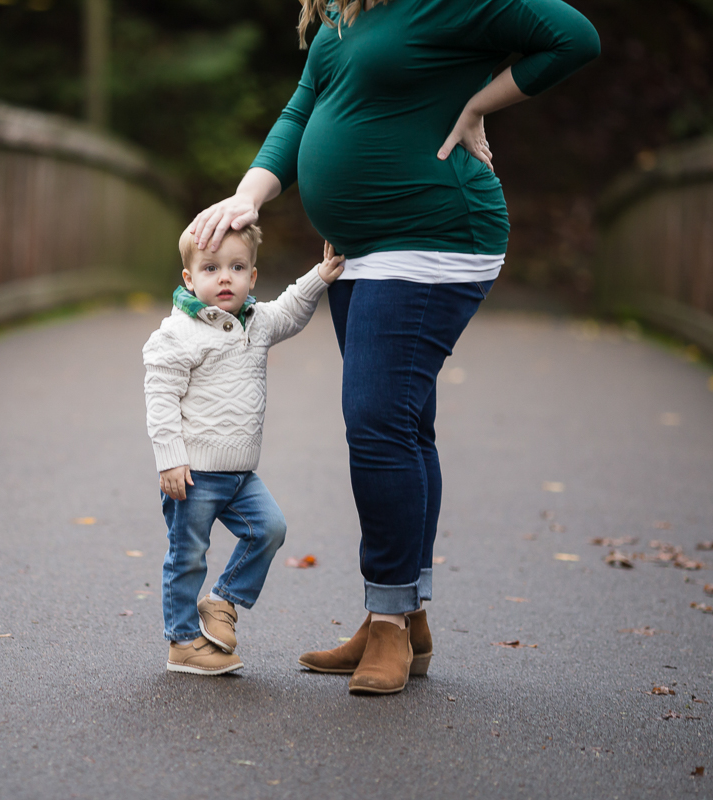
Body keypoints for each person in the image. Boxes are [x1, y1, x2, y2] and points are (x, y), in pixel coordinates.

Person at [191, 0, 600, 694]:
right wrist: (249, 195)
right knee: (404, 425)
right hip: (360, 252)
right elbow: (303, 109)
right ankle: (405, 616)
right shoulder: (343, 13)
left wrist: (478, 105)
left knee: (378, 423)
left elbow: (574, 38)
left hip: (433, 236)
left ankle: (389, 621)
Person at [143, 224, 345, 675]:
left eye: (237, 268)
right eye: (212, 269)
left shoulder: (255, 323)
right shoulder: (179, 334)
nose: (226, 278)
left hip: (240, 474)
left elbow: (291, 310)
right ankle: (182, 641)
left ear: (253, 277)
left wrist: (321, 275)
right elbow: (160, 400)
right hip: (193, 474)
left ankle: (222, 602)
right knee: (187, 555)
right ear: (189, 279)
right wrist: (170, 459)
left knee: (270, 528)